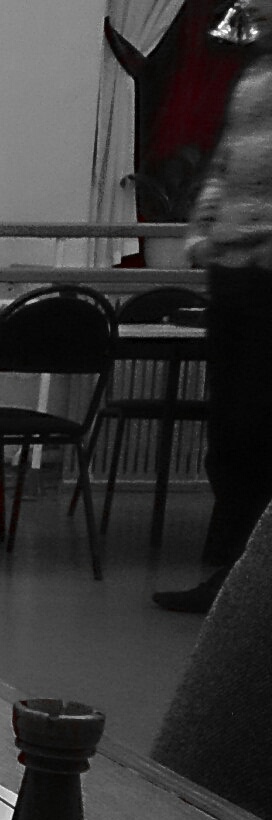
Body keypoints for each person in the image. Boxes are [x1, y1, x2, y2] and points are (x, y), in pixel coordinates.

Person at [156, 0, 272, 614]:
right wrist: (202, 229)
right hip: (233, 271)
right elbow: (226, 163)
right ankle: (226, 578)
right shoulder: (253, 76)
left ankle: (247, 588)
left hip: (266, 271)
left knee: (257, 426)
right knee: (229, 431)